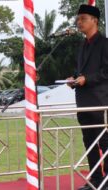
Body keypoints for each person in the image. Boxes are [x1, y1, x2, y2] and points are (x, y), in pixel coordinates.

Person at [67, 4, 108, 190]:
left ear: (95, 20)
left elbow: (105, 72)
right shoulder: (82, 45)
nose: (79, 22)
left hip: (101, 102)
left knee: (105, 143)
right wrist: (74, 79)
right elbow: (80, 71)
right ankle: (95, 180)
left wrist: (87, 79)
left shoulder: (105, 43)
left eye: (83, 18)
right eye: (78, 18)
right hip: (83, 102)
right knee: (89, 142)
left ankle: (107, 181)